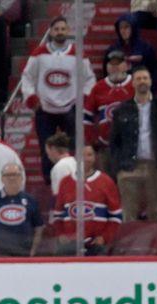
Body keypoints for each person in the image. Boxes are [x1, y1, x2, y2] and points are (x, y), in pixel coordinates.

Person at [22, 16, 95, 183]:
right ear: (51, 31)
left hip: (70, 107)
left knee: (73, 146)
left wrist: (82, 98)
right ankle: (49, 181)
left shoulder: (78, 54)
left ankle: (73, 179)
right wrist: (32, 99)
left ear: (68, 31)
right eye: (56, 29)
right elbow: (27, 77)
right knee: (46, 147)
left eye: (63, 29)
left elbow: (89, 79)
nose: (60, 32)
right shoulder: (39, 53)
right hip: (45, 108)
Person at [109, 65, 157, 221]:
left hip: (156, 165)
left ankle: (155, 245)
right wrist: (119, 167)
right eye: (138, 78)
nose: (142, 81)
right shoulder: (121, 110)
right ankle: (129, 244)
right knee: (129, 215)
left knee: (155, 214)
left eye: (145, 78)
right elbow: (114, 142)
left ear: (151, 81)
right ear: (132, 83)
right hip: (129, 167)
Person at [52, 144, 123, 256]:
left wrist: (104, 238)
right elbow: (57, 215)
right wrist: (61, 234)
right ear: (75, 157)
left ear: (95, 157)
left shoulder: (106, 181)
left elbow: (116, 217)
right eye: (81, 155)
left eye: (89, 155)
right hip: (70, 245)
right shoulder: (65, 182)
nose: (85, 159)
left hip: (96, 246)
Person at [84, 50, 135, 174]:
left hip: (131, 146)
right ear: (107, 67)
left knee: (129, 183)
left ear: (126, 65)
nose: (115, 67)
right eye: (112, 64)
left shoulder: (135, 84)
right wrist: (93, 140)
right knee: (107, 182)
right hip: (106, 146)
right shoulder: (98, 87)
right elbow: (86, 116)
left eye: (119, 64)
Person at [0, 162, 43, 257]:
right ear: (2, 179)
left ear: (22, 178)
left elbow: (38, 227)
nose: (11, 178)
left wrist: (33, 251)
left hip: (23, 253)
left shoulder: (30, 200)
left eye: (15, 175)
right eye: (8, 175)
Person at [103, 13, 157, 85]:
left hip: (140, 87)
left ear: (133, 28)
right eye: (121, 28)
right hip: (118, 88)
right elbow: (106, 75)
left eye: (126, 27)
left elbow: (153, 72)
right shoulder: (112, 50)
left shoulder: (145, 48)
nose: (123, 31)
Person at [45, 132, 77, 197]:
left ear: (53, 149)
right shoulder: (78, 163)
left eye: (48, 152)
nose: (48, 157)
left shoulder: (59, 167)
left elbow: (58, 195)